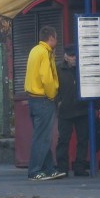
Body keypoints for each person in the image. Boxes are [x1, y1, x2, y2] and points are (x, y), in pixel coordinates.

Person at [24, 25, 66, 181]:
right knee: (42, 137)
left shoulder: (34, 50)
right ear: (52, 38)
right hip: (43, 99)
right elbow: (46, 78)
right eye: (56, 38)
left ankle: (49, 168)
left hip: (33, 98)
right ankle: (34, 171)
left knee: (43, 136)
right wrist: (53, 94)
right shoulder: (45, 52)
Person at [55, 45, 90, 176]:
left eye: (75, 55)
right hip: (65, 109)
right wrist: (58, 102)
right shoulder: (58, 68)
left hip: (82, 109)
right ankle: (62, 168)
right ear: (65, 56)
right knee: (63, 139)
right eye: (71, 56)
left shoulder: (82, 68)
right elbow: (54, 87)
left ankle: (79, 167)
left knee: (83, 139)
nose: (74, 58)